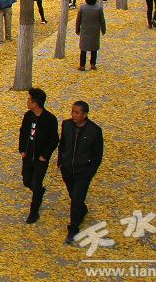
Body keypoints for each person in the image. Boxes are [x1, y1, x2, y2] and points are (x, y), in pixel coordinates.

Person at [57, 101, 104, 244]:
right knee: (74, 195)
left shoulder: (94, 131)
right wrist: (61, 161)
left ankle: (73, 228)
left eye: (77, 112)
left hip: (83, 171)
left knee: (76, 198)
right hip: (67, 169)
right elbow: (62, 144)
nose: (73, 115)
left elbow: (97, 154)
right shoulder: (66, 125)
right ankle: (82, 210)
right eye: (72, 111)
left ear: (85, 114)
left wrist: (90, 171)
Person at [18, 88, 59, 224]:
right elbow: (23, 132)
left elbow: (54, 139)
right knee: (27, 180)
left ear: (35, 103)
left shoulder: (49, 119)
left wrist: (44, 156)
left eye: (29, 99)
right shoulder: (28, 116)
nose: (27, 101)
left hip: (40, 158)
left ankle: (34, 211)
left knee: (36, 182)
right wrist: (22, 150)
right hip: (28, 156)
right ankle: (39, 191)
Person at [75, 0, 106, 71]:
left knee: (83, 49)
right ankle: (93, 64)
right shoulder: (99, 9)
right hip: (94, 31)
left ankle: (82, 65)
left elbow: (78, 20)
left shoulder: (82, 8)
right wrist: (103, 29)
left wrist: (77, 29)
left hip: (85, 31)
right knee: (94, 49)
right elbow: (102, 20)